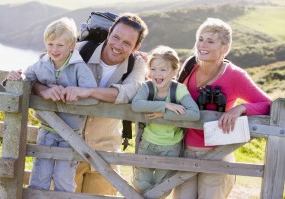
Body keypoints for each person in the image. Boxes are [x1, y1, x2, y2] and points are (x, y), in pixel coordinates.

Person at [31, 13, 149, 195]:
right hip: (67, 145)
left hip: (104, 151)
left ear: (137, 47)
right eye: (116, 37)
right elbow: (41, 68)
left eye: (127, 43)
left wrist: (88, 91)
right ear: (109, 33)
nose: (118, 46)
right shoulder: (81, 49)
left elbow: (128, 92)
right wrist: (41, 89)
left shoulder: (137, 65)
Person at [172, 18, 271, 199]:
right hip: (184, 151)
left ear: (224, 48)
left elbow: (267, 104)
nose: (202, 45)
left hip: (218, 154)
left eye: (210, 41)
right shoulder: (189, 66)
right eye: (200, 39)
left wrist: (240, 109)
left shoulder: (235, 75)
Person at [4, 17, 98, 192]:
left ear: (72, 46)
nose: (54, 50)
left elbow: (93, 97)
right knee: (40, 176)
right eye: (50, 44)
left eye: (60, 45)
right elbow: (27, 79)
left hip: (71, 135)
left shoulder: (80, 69)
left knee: (64, 179)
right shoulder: (40, 65)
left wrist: (75, 94)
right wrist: (16, 77)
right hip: (46, 131)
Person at [131, 45, 200, 197]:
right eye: (153, 69)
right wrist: (165, 105)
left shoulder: (179, 90)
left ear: (174, 72)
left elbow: (194, 114)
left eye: (163, 69)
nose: (157, 74)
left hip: (171, 147)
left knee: (162, 188)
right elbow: (136, 105)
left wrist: (164, 114)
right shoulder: (147, 87)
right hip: (147, 143)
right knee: (141, 184)